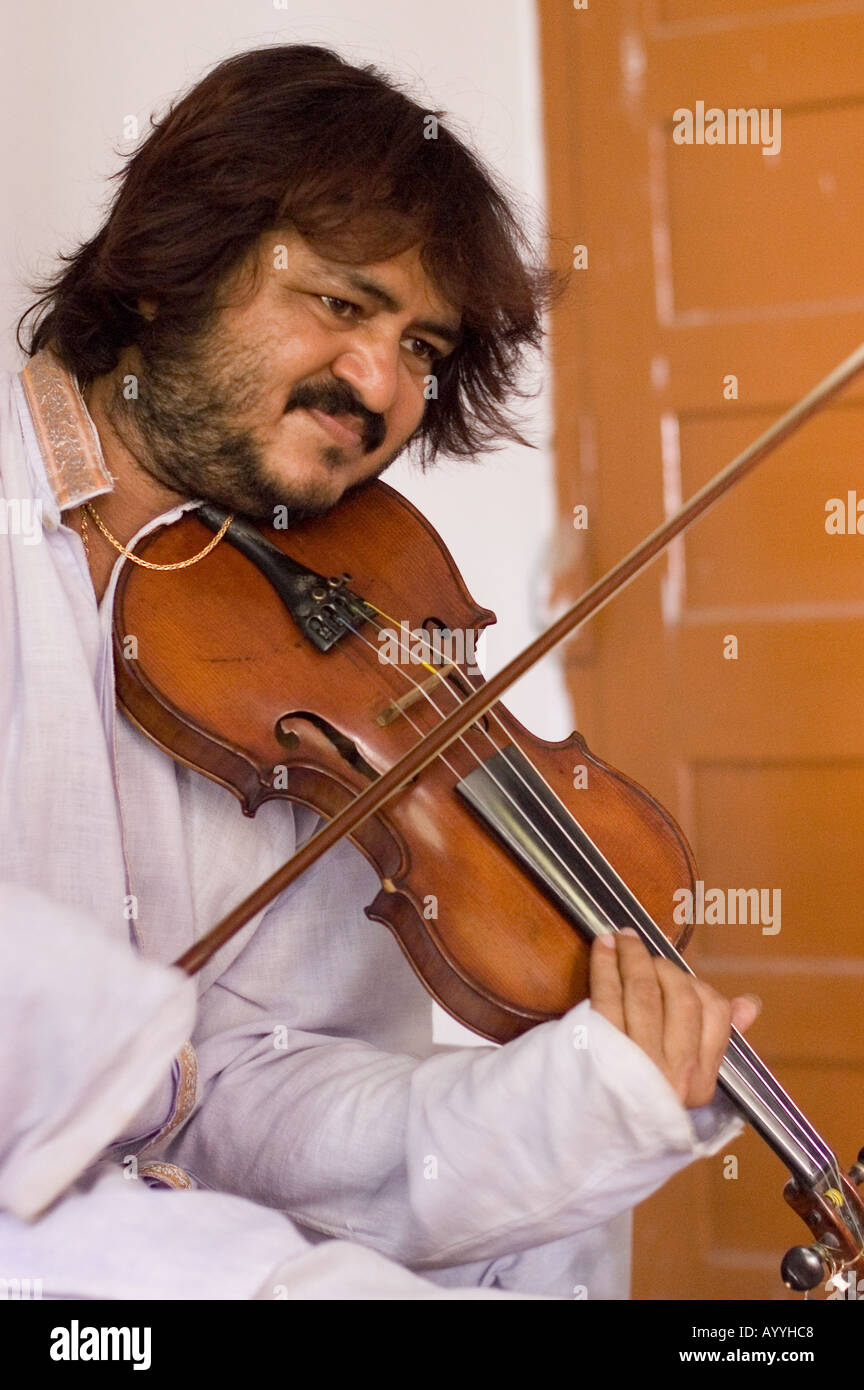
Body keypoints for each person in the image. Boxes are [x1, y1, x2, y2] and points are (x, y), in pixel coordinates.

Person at [2, 43, 758, 1299]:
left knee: (548, 1235)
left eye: (422, 347)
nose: (379, 387)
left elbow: (246, 1088)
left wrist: (578, 1104)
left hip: (139, 1230)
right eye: (343, 307)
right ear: (165, 271)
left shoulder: (300, 635)